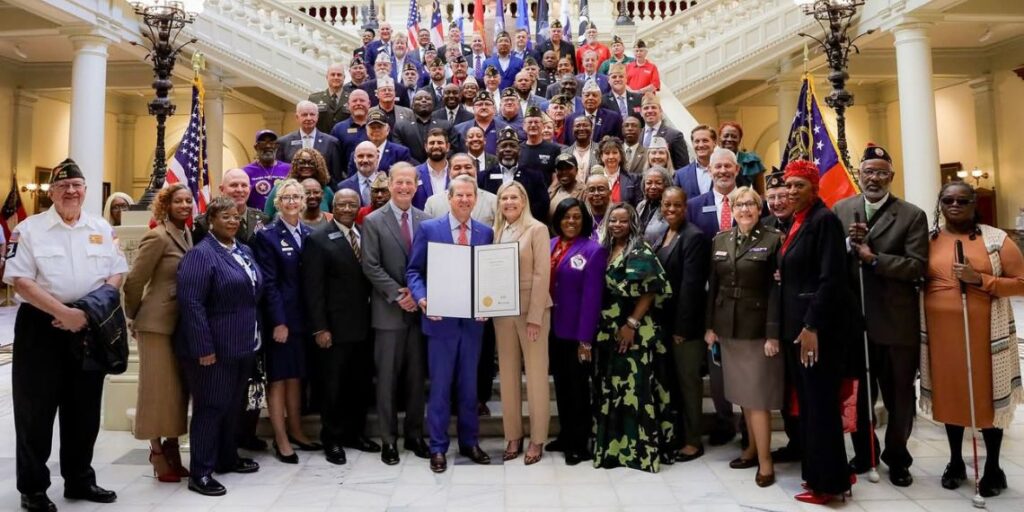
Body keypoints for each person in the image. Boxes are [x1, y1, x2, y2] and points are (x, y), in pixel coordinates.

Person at [5, 159, 127, 511]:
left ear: (86, 191)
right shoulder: (29, 230)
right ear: (52, 192)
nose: (71, 191)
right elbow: (20, 281)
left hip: (88, 325)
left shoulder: (100, 227)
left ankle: (79, 480)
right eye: (63, 186)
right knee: (35, 413)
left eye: (77, 185)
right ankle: (33, 489)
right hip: (40, 328)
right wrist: (62, 313)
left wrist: (86, 312)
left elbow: (116, 274)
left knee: (84, 410)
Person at [833, 143, 929, 487]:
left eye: (880, 173)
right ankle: (865, 452)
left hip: (894, 323)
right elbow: (830, 261)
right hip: (855, 324)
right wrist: (847, 245)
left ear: (891, 176)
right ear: (859, 175)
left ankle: (897, 456)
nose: (873, 178)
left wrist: (874, 259)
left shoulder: (911, 215)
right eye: (868, 172)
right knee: (859, 396)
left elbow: (917, 266)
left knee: (899, 396)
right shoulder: (841, 209)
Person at [920, 180, 1024, 498]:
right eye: (948, 200)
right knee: (951, 396)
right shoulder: (928, 240)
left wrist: (980, 280)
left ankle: (992, 466)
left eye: (962, 200)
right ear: (940, 204)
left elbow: (1021, 282)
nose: (955, 205)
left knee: (985, 398)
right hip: (941, 337)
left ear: (973, 204)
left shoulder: (996, 239)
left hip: (984, 337)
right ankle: (954, 462)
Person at [406, 175, 495, 473]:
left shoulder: (485, 232)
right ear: (449, 197)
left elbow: (488, 275)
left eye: (470, 196)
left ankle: (470, 443)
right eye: (460, 196)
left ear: (476, 199)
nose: (465, 200)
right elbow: (414, 272)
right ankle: (438, 448)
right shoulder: (430, 229)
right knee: (441, 388)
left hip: (473, 324)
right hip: (440, 321)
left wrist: (489, 303)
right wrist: (423, 299)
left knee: (470, 388)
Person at [177, 196, 263, 496]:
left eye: (236, 216)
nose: (232, 221)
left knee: (232, 406)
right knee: (211, 408)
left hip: (243, 345)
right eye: (225, 216)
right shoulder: (201, 255)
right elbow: (191, 304)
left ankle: (227, 458)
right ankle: (200, 471)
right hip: (212, 350)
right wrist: (203, 348)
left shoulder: (244, 250)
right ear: (210, 220)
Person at [778, 160, 853, 504]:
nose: (791, 191)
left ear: (814, 188)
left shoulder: (824, 221)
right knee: (809, 406)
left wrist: (811, 325)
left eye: (799, 186)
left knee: (820, 407)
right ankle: (825, 473)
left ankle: (830, 485)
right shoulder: (798, 221)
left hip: (816, 332)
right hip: (798, 328)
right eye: (788, 185)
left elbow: (832, 279)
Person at [705, 186, 783, 488]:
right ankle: (750, 449)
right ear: (732, 209)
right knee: (743, 399)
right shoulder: (721, 240)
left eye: (751, 204)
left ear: (760, 208)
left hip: (757, 330)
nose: (745, 209)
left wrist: (772, 333)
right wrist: (710, 326)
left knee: (758, 399)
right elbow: (713, 286)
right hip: (729, 329)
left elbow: (777, 291)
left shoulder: (773, 240)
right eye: (739, 204)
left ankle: (765, 461)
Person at [592, 202, 673, 472]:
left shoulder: (639, 249)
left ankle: (639, 452)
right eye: (612, 220)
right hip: (608, 331)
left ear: (632, 223)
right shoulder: (604, 249)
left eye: (622, 221)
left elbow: (650, 290)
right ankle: (614, 450)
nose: (617, 225)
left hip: (633, 331)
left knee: (636, 391)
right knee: (612, 391)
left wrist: (631, 323)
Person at [302, 189, 380, 465]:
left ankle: (355, 434)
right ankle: (332, 438)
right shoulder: (318, 239)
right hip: (334, 329)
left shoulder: (364, 233)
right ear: (333, 206)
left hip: (365, 326)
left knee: (359, 385)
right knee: (332, 387)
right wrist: (320, 328)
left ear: (359, 208)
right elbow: (313, 290)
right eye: (342, 204)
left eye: (352, 204)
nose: (347, 208)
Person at [362, 164, 432, 465]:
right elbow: (370, 265)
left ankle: (415, 435)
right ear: (389, 185)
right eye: (399, 182)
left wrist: (420, 296)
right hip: (388, 313)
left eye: (409, 182)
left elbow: (432, 264)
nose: (404, 187)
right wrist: (398, 294)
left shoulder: (426, 221)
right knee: (388, 380)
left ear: (417, 185)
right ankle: (389, 440)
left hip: (420, 313)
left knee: (417, 379)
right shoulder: (373, 221)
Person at [123, 184, 193, 483]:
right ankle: (156, 451)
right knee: (155, 392)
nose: (185, 205)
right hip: (156, 324)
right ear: (166, 205)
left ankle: (173, 447)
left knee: (176, 392)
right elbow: (134, 281)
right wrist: (134, 316)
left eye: (189, 201)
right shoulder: (157, 235)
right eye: (178, 201)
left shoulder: (187, 234)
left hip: (180, 324)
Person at [252, 179, 318, 465]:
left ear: (304, 201)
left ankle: (296, 430)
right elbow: (269, 284)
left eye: (296, 197)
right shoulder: (266, 236)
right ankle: (280, 439)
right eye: (286, 198)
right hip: (280, 321)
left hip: (304, 319)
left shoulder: (310, 233)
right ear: (277, 203)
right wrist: (278, 321)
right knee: (278, 379)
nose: (292, 202)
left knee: (296, 377)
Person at [493, 181, 552, 466]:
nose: (508, 202)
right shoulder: (497, 230)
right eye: (504, 198)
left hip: (532, 311)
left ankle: (537, 439)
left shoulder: (537, 229)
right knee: (507, 375)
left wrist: (535, 317)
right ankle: (513, 435)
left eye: (514, 197)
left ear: (524, 200)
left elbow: (542, 275)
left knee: (537, 376)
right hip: (502, 312)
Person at [547, 198, 608, 465]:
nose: (570, 222)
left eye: (576, 217)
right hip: (553, 328)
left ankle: (579, 443)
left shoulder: (594, 250)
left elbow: (592, 298)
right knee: (561, 385)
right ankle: (565, 434)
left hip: (577, 332)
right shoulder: (550, 245)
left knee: (578, 389)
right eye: (565, 217)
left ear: (583, 220)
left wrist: (586, 339)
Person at [651, 186, 709, 464]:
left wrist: (681, 329)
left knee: (688, 384)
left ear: (686, 208)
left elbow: (691, 288)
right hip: (665, 322)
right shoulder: (665, 234)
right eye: (666, 205)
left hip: (685, 328)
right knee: (673, 383)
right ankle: (678, 435)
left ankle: (693, 441)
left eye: (676, 206)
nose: (671, 210)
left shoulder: (694, 237)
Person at [480, 127, 550, 223]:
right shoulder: (484, 177)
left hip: (525, 226)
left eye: (512, 146)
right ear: (497, 151)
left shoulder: (534, 176)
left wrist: (522, 219)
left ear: (519, 151)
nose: (508, 149)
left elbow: (543, 204)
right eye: (504, 146)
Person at [194, 168, 270, 247]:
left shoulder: (263, 219)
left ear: (249, 189)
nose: (240, 190)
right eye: (234, 185)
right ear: (222, 189)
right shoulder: (205, 223)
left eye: (244, 185)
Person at [276, 101, 345, 184]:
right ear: (297, 117)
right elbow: (280, 175)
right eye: (304, 115)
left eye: (312, 114)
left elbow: (336, 176)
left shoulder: (331, 142)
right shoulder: (284, 142)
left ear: (317, 117)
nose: (309, 118)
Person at [424, 153, 498, 226]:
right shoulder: (432, 203)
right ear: (449, 172)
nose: (463, 171)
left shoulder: (493, 201)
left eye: (468, 167)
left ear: (475, 170)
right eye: (457, 168)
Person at [264, 148, 335, 218]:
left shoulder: (326, 191)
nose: (306, 166)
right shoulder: (281, 188)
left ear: (318, 166)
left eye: (311, 163)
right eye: (302, 162)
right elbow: (267, 216)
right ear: (295, 165)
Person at [394, 91, 458, 164]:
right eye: (419, 98)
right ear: (412, 105)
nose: (424, 100)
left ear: (433, 104)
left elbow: (453, 148)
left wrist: (435, 163)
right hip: (411, 169)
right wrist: (419, 167)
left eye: (427, 98)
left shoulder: (447, 125)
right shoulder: (401, 127)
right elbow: (400, 151)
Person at [243, 130, 291, 211]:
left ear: (276, 146)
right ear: (256, 147)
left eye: (271, 142)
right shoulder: (246, 172)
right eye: (263, 143)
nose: (268, 146)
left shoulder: (289, 169)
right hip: (256, 220)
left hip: (282, 218)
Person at [639, 93, 689, 170]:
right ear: (641, 113)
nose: (650, 111)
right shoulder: (637, 136)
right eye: (646, 108)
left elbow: (683, 168)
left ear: (661, 111)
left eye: (653, 107)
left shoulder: (675, 135)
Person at [566, 80, 622, 145]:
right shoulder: (570, 119)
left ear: (600, 99)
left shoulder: (613, 118)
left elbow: (619, 144)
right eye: (587, 95)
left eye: (594, 95)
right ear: (582, 98)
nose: (590, 98)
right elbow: (567, 145)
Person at [519, 105, 562, 183]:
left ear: (542, 125)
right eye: (530, 122)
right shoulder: (518, 149)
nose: (533, 125)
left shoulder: (554, 149)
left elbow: (556, 176)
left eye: (536, 122)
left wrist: (549, 194)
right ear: (523, 126)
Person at [329, 89, 371, 170]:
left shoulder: (378, 127)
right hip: (347, 180)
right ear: (348, 105)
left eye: (362, 100)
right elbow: (334, 160)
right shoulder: (338, 129)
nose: (358, 103)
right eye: (354, 101)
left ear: (369, 104)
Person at [673, 125, 717, 199]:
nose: (701, 145)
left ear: (714, 143)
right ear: (693, 144)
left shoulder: (725, 170)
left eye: (705, 141)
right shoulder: (680, 175)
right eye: (697, 141)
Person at [412, 128, 451, 210]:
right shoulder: (413, 174)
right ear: (426, 147)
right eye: (432, 143)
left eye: (440, 143)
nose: (436, 146)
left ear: (447, 147)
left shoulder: (456, 174)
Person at [719, 121, 765, 189]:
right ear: (720, 138)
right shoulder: (712, 159)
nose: (729, 139)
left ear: (740, 140)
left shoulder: (752, 161)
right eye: (726, 136)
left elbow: (760, 194)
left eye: (734, 136)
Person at [308, 63, 351, 135]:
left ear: (344, 77)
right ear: (327, 77)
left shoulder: (352, 99)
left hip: (344, 143)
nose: (336, 77)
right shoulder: (314, 99)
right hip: (322, 143)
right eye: (333, 74)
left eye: (339, 75)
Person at [597, 137, 640, 205]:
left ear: (620, 156)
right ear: (601, 157)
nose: (611, 157)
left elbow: (637, 206)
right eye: (607, 153)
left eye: (615, 153)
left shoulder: (633, 179)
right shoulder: (594, 179)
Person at [637, 166, 671, 244]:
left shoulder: (671, 208)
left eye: (658, 183)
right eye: (649, 183)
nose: (653, 187)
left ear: (666, 185)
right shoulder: (641, 206)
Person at [585, 172, 612, 241]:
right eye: (591, 190)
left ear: (609, 192)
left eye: (601, 189)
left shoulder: (617, 214)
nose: (596, 193)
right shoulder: (582, 215)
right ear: (586, 193)